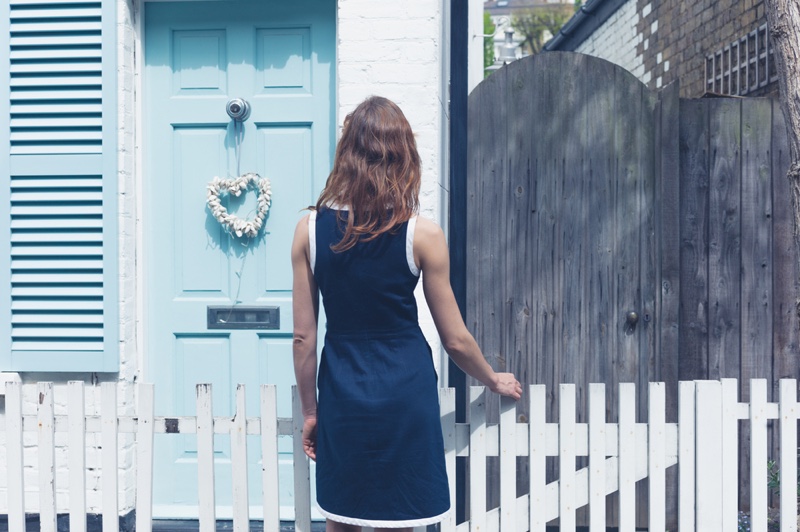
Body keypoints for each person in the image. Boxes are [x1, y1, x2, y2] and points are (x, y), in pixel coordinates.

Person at [291, 96, 522, 532]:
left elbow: (303, 338)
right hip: (405, 394)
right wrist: (492, 378)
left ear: (347, 153)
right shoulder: (422, 234)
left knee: (342, 518)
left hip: (342, 392)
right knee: (399, 520)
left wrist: (311, 412)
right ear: (403, 156)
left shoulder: (308, 230)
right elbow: (453, 338)